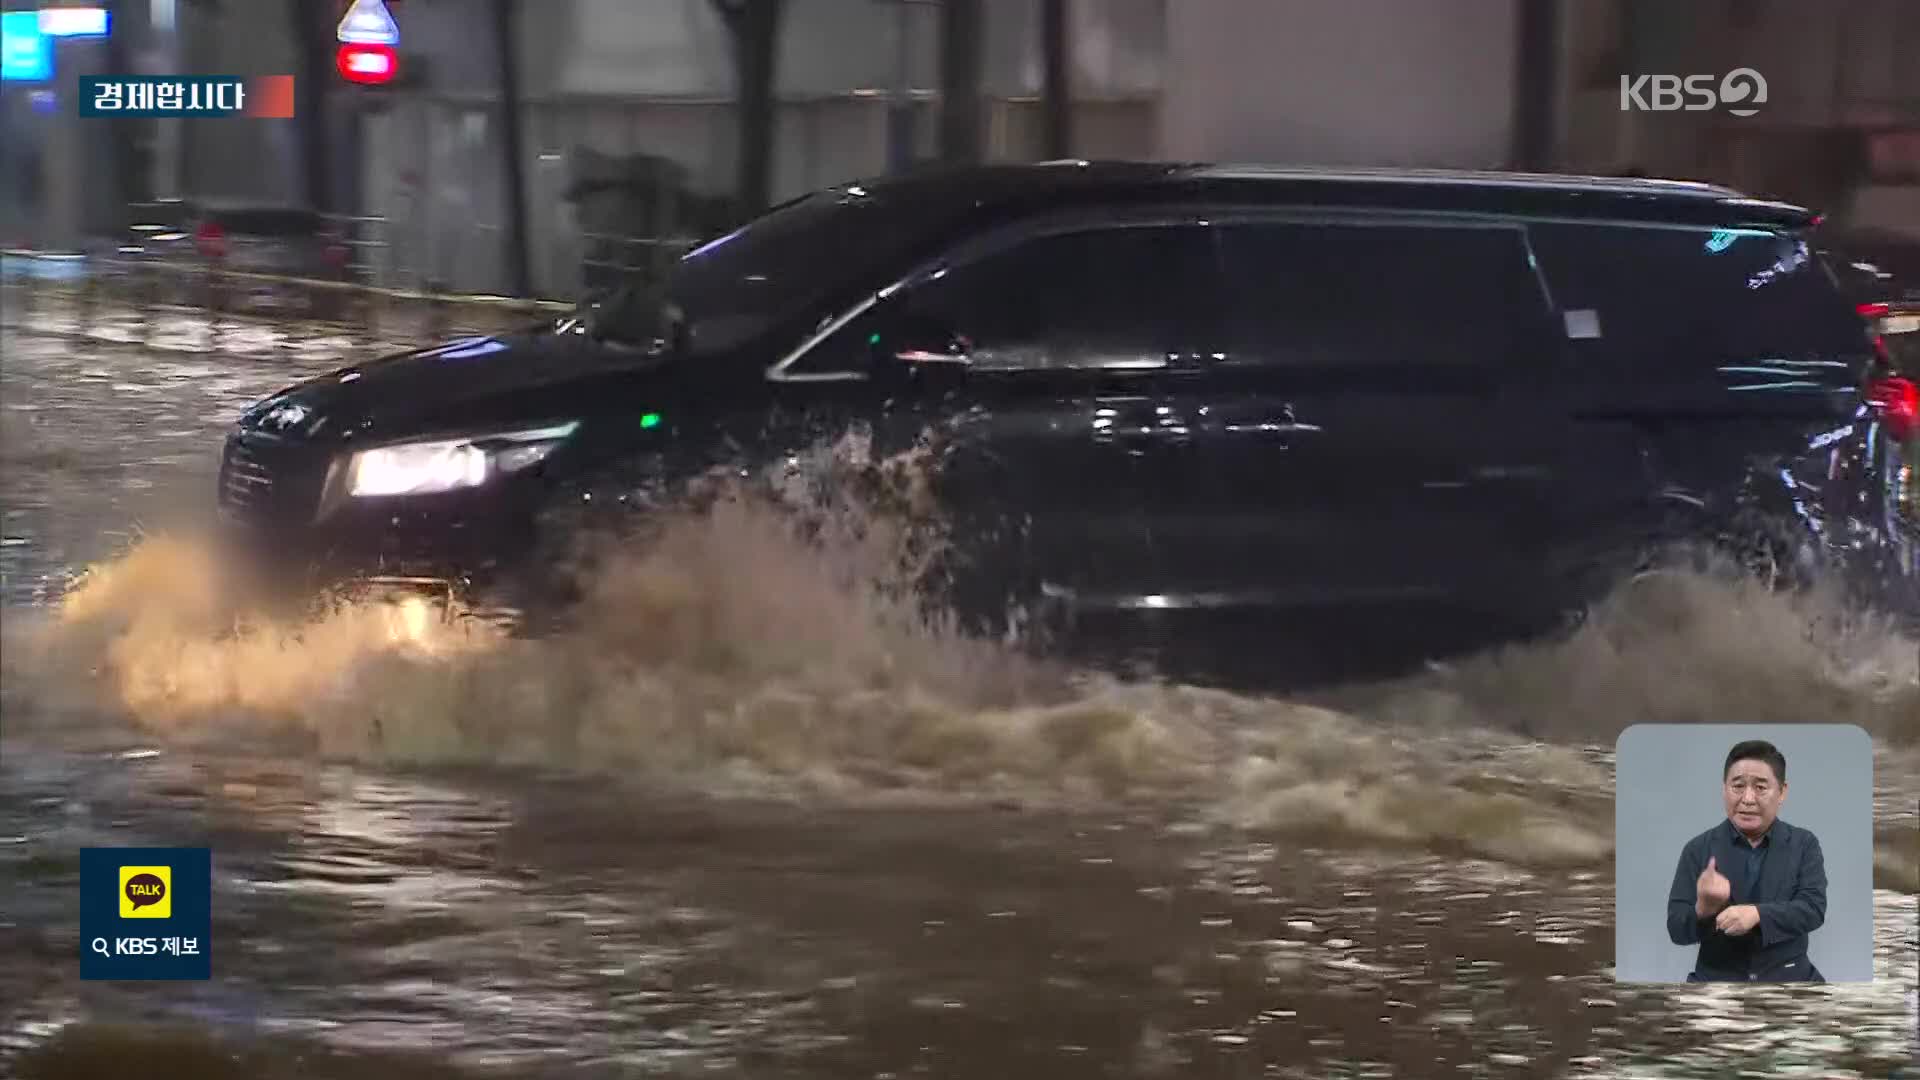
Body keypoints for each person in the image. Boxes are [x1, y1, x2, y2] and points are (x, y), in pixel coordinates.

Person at [1665, 740, 1828, 982]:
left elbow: (1813, 909)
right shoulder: (1698, 849)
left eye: (1761, 787)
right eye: (1738, 786)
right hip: (1716, 983)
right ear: (1724, 789)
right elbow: (1677, 930)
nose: (1748, 799)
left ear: (1782, 791)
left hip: (1790, 980)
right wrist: (1703, 908)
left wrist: (1758, 914)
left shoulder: (1804, 844)